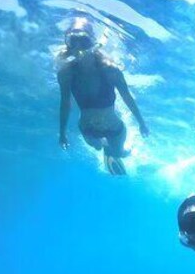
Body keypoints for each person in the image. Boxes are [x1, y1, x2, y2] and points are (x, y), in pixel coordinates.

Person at [56, 16, 149, 175]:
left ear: (92, 43)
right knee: (97, 146)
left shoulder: (110, 69)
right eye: (73, 41)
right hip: (88, 129)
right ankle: (106, 148)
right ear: (68, 44)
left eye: (84, 41)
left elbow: (127, 97)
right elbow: (65, 103)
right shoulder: (66, 73)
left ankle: (120, 151)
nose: (79, 47)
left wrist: (141, 123)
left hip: (114, 128)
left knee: (119, 152)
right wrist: (62, 133)